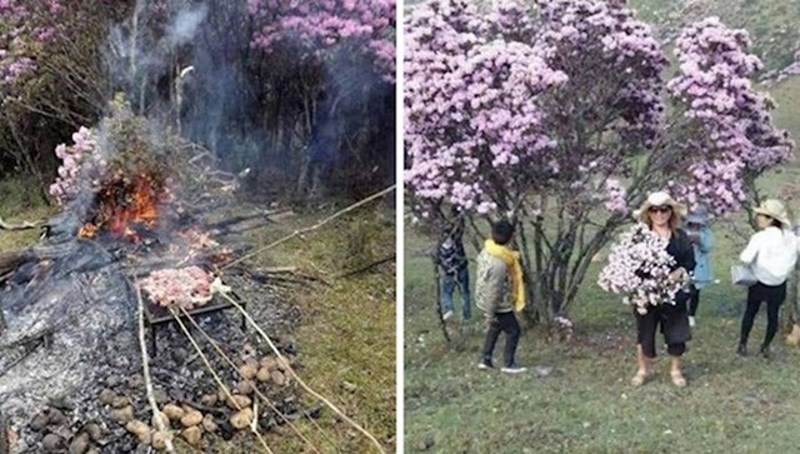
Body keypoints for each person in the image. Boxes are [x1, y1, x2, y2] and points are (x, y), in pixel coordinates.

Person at [631, 192, 695, 387]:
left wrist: (679, 272)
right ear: (648, 213)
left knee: (676, 333)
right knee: (645, 333)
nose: (659, 214)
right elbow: (630, 265)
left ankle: (675, 369)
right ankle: (643, 369)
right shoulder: (640, 237)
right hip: (646, 294)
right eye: (654, 210)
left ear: (671, 212)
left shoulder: (680, 237)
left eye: (664, 209)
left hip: (674, 294)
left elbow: (690, 262)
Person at [737, 199, 798, 358]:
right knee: (773, 315)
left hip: (760, 281)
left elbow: (745, 258)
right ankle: (765, 346)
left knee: (751, 311)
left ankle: (743, 344)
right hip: (779, 283)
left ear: (771, 219)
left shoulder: (760, 237)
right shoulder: (791, 238)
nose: (758, 218)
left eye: (761, 215)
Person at [475, 219, 526, 374]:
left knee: (495, 328)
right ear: (510, 238)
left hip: (483, 297)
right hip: (497, 303)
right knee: (513, 330)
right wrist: (489, 313)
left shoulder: (487, 249)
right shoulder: (500, 264)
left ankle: (486, 359)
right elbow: (494, 290)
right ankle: (509, 364)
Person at [437, 208, 471, 321]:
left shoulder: (439, 247)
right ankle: (466, 315)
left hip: (449, 273)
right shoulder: (456, 240)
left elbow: (437, 260)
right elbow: (460, 227)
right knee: (465, 292)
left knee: (447, 293)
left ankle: (449, 309)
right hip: (462, 269)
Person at [684, 206, 714, 328]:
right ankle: (681, 313)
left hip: (699, 267)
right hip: (685, 264)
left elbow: (709, 247)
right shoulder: (683, 230)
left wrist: (700, 241)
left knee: (695, 292)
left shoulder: (706, 232)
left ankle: (691, 315)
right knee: (683, 291)